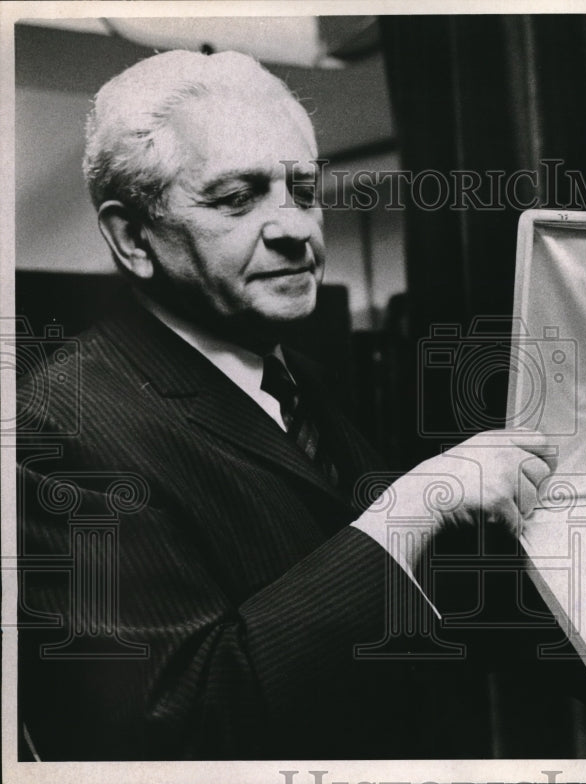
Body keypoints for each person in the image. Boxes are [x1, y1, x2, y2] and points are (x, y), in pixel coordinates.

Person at [16, 50, 556, 761]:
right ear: (131, 237)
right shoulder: (59, 427)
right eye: (238, 198)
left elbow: (397, 608)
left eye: (303, 190)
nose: (296, 228)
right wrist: (416, 503)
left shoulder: (302, 379)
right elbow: (173, 730)